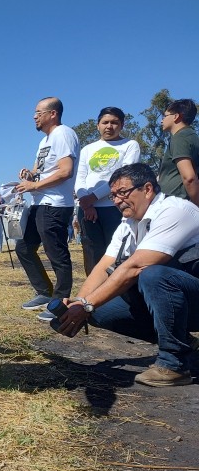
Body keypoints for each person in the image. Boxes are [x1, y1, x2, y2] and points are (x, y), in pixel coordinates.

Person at [53, 163, 199, 387]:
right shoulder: (128, 223)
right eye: (113, 195)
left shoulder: (175, 210)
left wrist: (85, 305)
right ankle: (186, 347)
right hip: (182, 298)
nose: (117, 200)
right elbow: (104, 266)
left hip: (191, 292)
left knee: (152, 274)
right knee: (98, 311)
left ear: (147, 189)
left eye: (123, 192)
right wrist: (78, 303)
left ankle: (174, 364)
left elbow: (135, 267)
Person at [14, 97, 79, 321]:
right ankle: (44, 292)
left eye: (38, 112)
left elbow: (65, 171)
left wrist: (35, 185)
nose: (34, 116)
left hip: (55, 204)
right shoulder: (45, 142)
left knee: (57, 254)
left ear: (53, 114)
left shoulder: (63, 134)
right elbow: (40, 171)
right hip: (39, 203)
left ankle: (60, 303)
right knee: (23, 247)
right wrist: (29, 176)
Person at [75, 106, 141, 274]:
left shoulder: (130, 145)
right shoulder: (87, 149)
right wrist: (87, 204)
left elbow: (123, 177)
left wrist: (93, 197)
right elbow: (80, 178)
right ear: (98, 125)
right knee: (91, 253)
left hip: (116, 208)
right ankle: (91, 295)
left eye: (114, 123)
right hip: (88, 210)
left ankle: (117, 295)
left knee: (117, 253)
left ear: (122, 125)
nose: (109, 126)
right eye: (105, 122)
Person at [157, 98, 199, 206]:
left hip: (176, 203)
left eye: (165, 116)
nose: (162, 121)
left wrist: (196, 206)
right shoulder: (192, 136)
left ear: (176, 116)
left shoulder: (180, 138)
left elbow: (189, 177)